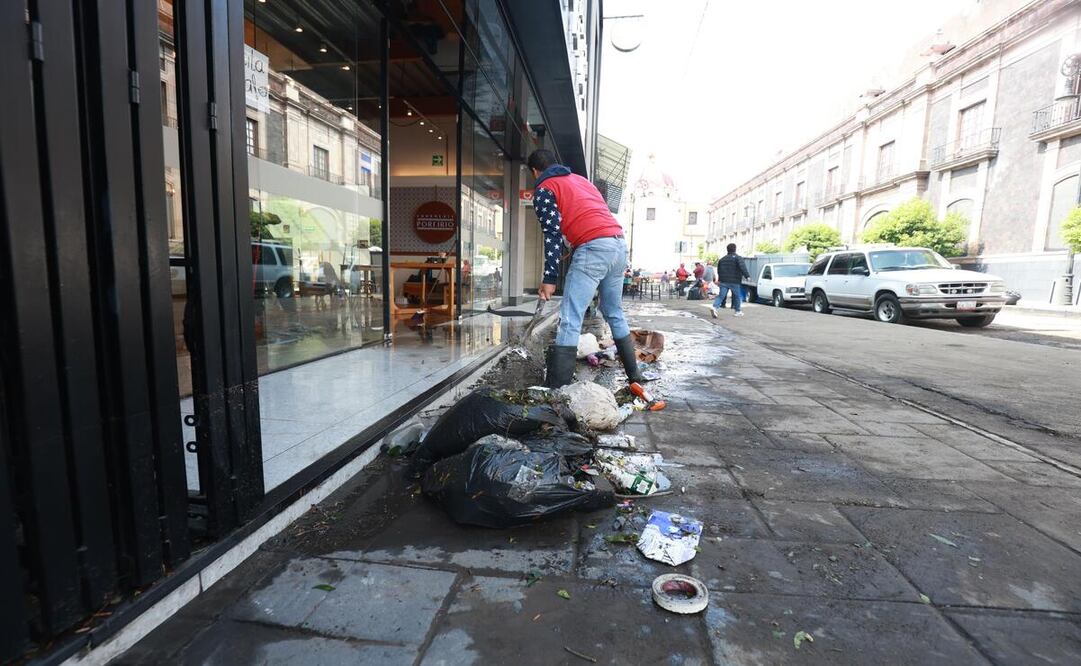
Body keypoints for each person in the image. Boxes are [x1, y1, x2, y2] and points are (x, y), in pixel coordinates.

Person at [528, 149, 645, 388]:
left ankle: (556, 393)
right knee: (614, 312)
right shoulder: (581, 181)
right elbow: (593, 215)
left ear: (535, 171)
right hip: (618, 245)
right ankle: (635, 377)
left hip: (593, 248)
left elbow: (551, 234)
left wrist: (549, 277)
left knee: (570, 318)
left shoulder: (544, 188)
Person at [711, 243, 749, 318]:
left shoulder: (722, 259)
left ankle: (715, 307)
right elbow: (742, 267)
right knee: (737, 296)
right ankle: (737, 311)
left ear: (727, 249)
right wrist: (747, 276)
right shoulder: (738, 258)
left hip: (724, 281)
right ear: (735, 249)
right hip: (734, 281)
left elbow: (719, 271)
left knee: (721, 296)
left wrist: (719, 280)